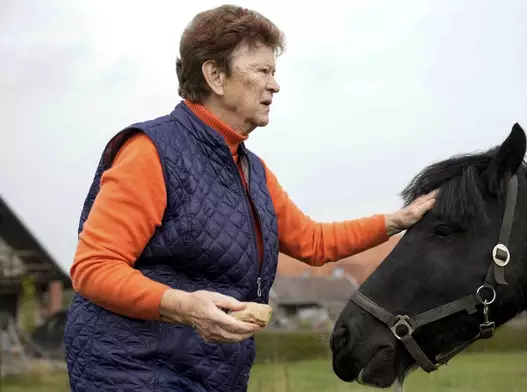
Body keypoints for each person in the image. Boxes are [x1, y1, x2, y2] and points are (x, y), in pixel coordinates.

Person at [63, 4, 437, 392]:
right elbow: (94, 268)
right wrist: (184, 307)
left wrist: (396, 221)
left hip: (208, 376)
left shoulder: (252, 170)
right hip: (128, 370)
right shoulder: (150, 152)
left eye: (274, 72)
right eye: (262, 70)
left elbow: (312, 241)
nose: (274, 85)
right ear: (215, 76)